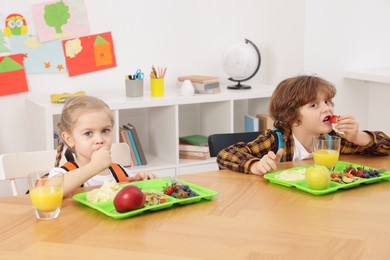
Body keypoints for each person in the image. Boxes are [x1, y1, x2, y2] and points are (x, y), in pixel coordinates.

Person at [217, 75, 390, 175]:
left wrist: (359, 137)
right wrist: (255, 165)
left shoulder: (333, 140)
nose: (327, 108)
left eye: (328, 101)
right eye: (314, 105)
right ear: (291, 118)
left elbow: (386, 147)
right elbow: (226, 154)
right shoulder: (276, 141)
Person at [51, 95, 155, 196]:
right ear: (69, 139)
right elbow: (50, 190)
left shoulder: (121, 172)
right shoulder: (63, 173)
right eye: (88, 133)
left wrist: (139, 184)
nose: (99, 140)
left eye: (105, 131)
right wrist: (94, 166)